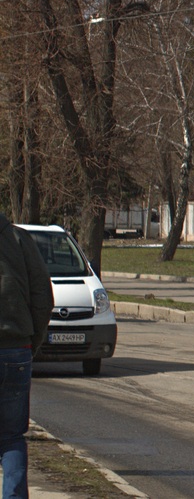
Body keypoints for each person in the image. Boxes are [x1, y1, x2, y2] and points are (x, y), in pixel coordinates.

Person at [0, 212, 53, 499]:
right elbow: (43, 297)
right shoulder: (20, 239)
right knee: (10, 438)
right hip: (16, 351)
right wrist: (31, 343)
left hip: (18, 347)